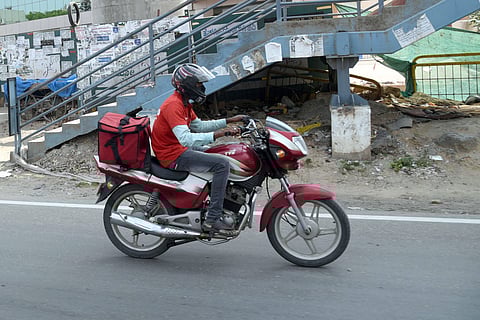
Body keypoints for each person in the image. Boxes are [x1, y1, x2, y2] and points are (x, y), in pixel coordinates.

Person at [151, 63, 247, 234]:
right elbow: (186, 139)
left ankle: (210, 201)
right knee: (222, 164)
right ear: (186, 84)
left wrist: (229, 121)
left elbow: (200, 126)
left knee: (218, 151)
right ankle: (213, 218)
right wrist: (219, 134)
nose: (202, 87)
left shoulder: (184, 103)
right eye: (198, 84)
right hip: (172, 156)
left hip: (178, 149)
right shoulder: (174, 105)